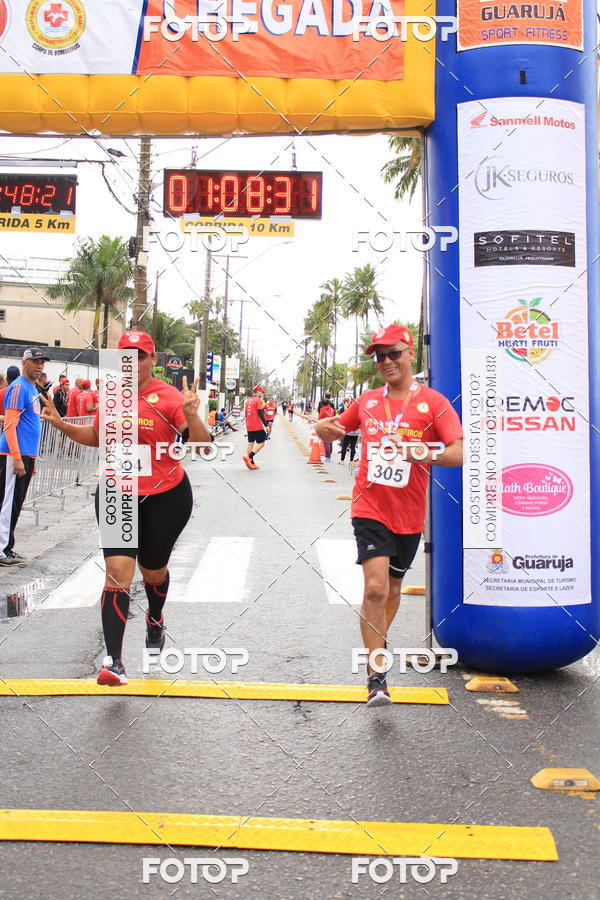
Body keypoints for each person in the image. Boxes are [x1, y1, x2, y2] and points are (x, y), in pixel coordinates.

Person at [41, 330, 212, 686]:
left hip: (165, 496)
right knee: (118, 572)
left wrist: (193, 416)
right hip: (118, 492)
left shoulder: (170, 397)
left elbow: (202, 447)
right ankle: (114, 662)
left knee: (153, 572)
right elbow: (96, 437)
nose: (132, 363)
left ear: (153, 360)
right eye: (125, 357)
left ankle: (155, 618)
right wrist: (61, 425)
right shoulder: (111, 396)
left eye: (140, 356)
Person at [316, 324, 463, 708]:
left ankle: (377, 640)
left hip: (409, 515)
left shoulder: (433, 402)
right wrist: (322, 429)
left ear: (410, 353)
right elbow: (334, 430)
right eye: (379, 356)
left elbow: (458, 452)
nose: (386, 361)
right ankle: (376, 675)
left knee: (393, 590)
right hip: (370, 507)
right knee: (376, 588)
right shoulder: (366, 401)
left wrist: (419, 452)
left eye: (393, 353)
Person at [0, 348, 51, 566]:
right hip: (14, 454)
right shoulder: (19, 387)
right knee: (8, 502)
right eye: (35, 361)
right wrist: (17, 456)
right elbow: (10, 424)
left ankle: (7, 546)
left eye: (42, 362)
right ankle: (1, 549)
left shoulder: (32, 388)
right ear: (24, 363)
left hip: (25, 454)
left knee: (16, 503)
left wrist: (31, 459)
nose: (39, 366)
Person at [243, 385, 267, 470]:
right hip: (257, 426)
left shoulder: (248, 400)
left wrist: (246, 426)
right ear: (258, 392)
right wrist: (266, 425)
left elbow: (246, 414)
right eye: (262, 392)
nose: (262, 394)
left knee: (250, 443)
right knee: (262, 443)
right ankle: (250, 457)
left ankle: (251, 463)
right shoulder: (258, 400)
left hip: (249, 425)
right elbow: (260, 413)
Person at [318, 397, 336, 461]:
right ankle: (329, 455)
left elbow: (320, 419)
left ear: (322, 404)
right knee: (330, 442)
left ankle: (327, 456)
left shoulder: (322, 410)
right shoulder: (332, 410)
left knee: (326, 442)